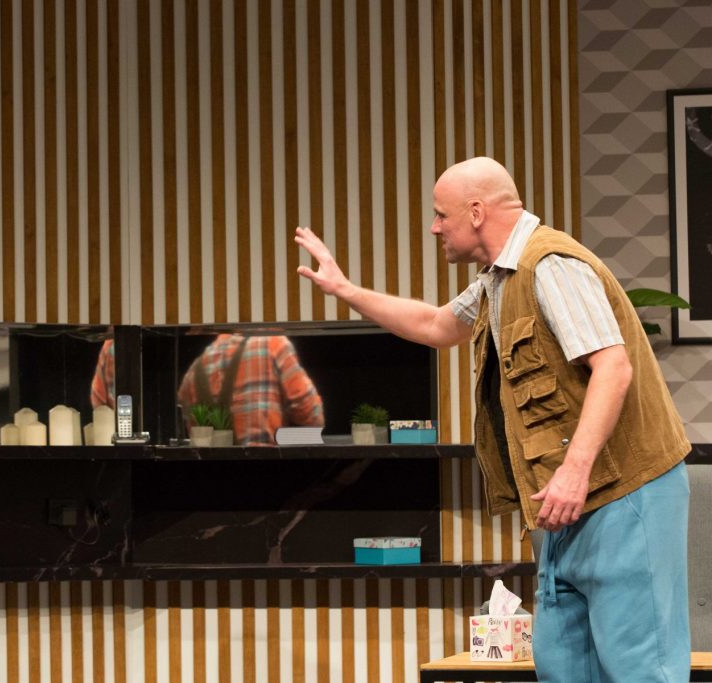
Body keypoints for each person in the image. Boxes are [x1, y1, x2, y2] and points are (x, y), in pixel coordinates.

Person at [296, 156, 691, 682]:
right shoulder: (498, 279)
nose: (435, 227)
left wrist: (573, 472)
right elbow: (436, 325)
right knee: (564, 665)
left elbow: (613, 367)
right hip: (564, 506)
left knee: (639, 667)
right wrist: (345, 290)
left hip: (623, 493)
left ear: (477, 212)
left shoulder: (550, 266)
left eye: (442, 215)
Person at [176, 334, 324, 445]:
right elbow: (312, 415)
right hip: (269, 469)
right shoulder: (274, 345)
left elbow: (193, 434)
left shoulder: (195, 369)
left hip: (210, 474)